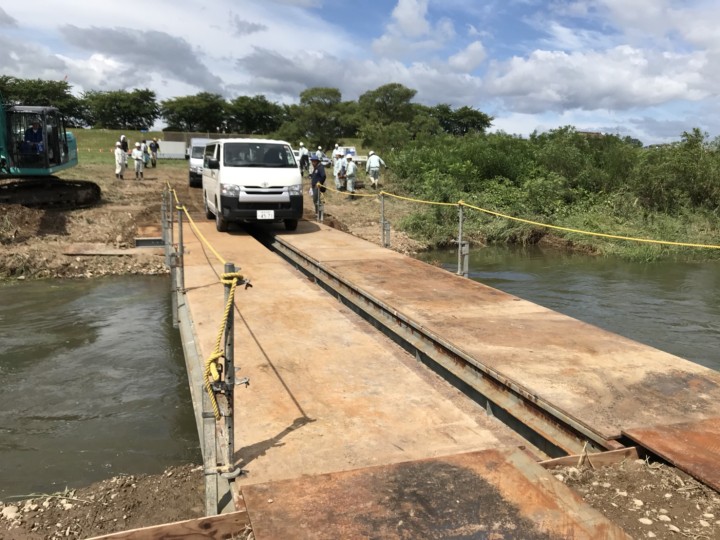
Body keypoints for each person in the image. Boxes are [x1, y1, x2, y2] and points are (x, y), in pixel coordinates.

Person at [309, 153, 326, 220]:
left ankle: (319, 214)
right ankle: (317, 213)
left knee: (317, 200)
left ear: (317, 161)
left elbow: (323, 176)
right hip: (313, 187)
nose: (313, 162)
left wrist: (320, 182)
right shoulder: (315, 167)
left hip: (317, 187)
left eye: (314, 161)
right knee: (315, 200)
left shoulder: (320, 167)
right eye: (312, 161)